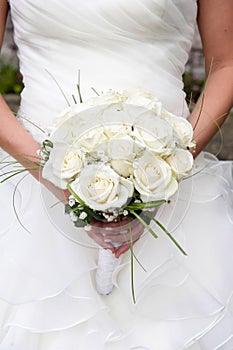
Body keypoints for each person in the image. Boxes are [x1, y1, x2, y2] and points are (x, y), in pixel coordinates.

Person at [0, 0, 233, 349]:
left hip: (175, 197)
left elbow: (226, 64)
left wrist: (167, 168)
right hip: (32, 195)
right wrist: (54, 176)